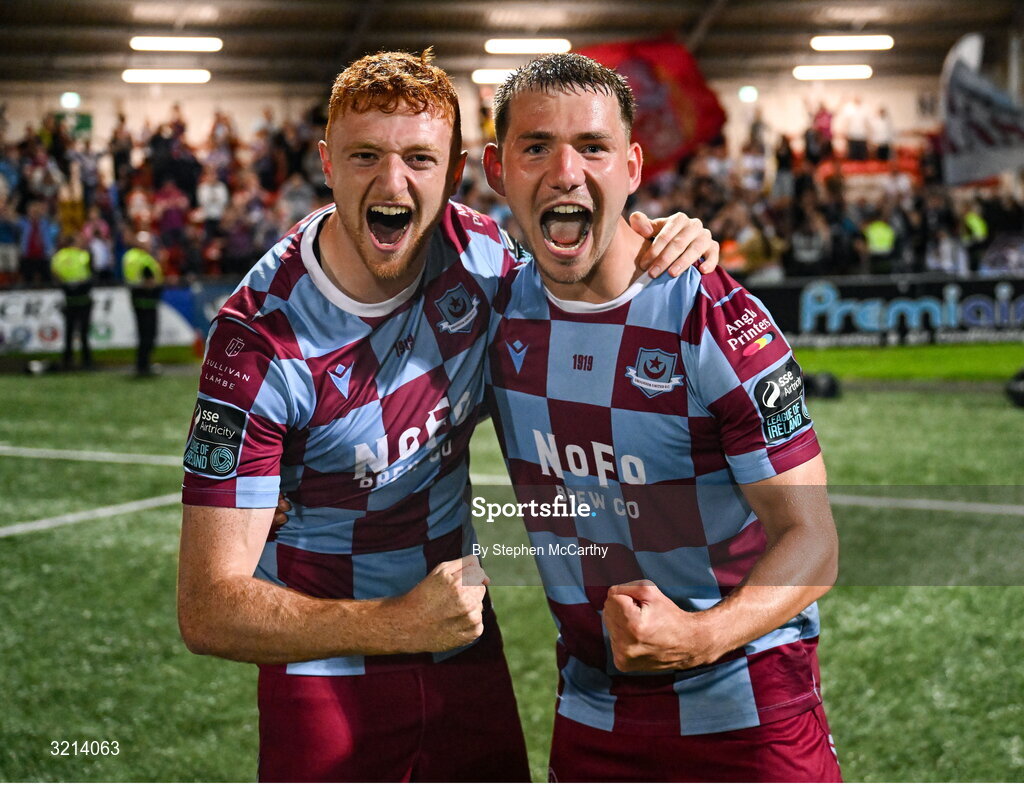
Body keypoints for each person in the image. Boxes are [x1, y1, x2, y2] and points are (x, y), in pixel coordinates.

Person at [176, 49, 718, 782]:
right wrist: (397, 621)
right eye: (365, 155)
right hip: (324, 668)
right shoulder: (258, 339)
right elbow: (207, 607)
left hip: (461, 647)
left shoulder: (482, 259)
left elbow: (588, 277)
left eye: (419, 159)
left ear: (455, 170)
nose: (392, 181)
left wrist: (669, 233)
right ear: (326, 163)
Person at [480, 54, 840, 781]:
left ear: (632, 165)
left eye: (592, 146)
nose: (565, 171)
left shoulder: (712, 315)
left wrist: (702, 636)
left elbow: (814, 539)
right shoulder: (490, 317)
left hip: (748, 706)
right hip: (592, 707)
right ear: (497, 169)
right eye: (536, 146)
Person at [50, 232, 93, 370]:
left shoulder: (59, 256)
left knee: (69, 332)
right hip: (82, 298)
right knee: (83, 332)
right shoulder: (83, 255)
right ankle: (86, 361)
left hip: (70, 298)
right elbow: (90, 273)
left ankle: (68, 360)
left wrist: (65, 283)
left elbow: (54, 272)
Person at [122, 232, 164, 376]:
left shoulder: (128, 257)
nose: (150, 245)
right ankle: (144, 366)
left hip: (138, 299)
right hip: (147, 300)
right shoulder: (144, 259)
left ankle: (142, 364)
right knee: (148, 333)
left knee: (143, 334)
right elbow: (149, 279)